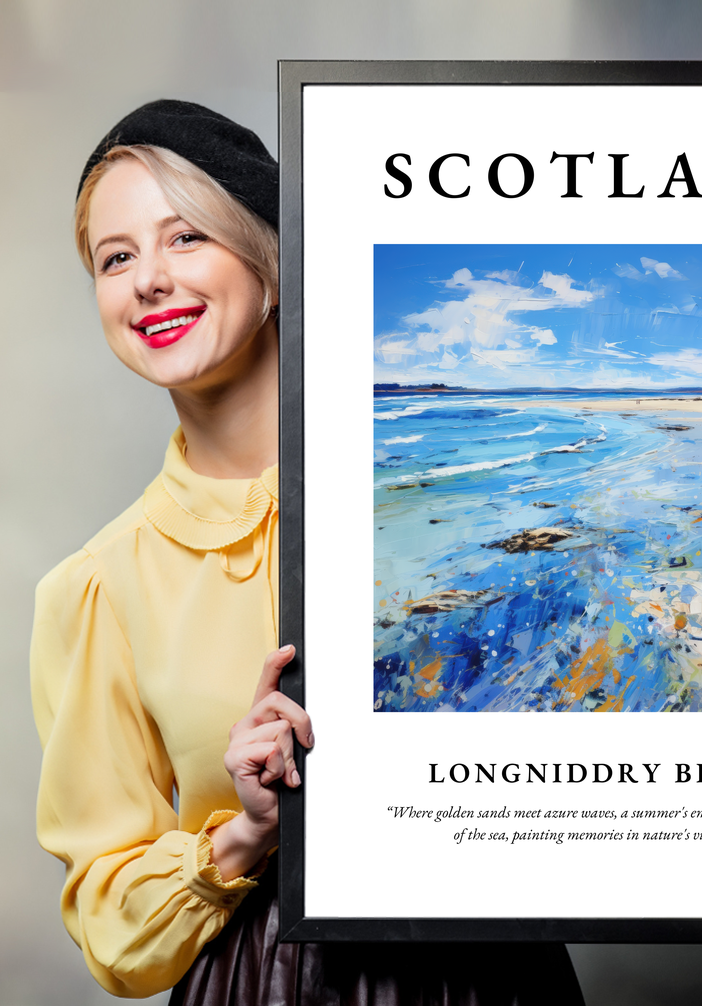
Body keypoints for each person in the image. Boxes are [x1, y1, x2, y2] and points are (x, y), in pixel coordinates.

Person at [30, 100, 586, 1004]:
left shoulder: (450, 501)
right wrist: (245, 833)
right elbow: (110, 924)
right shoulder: (97, 586)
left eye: (186, 237)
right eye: (115, 258)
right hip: (265, 981)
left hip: (491, 971)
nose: (149, 281)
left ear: (272, 262)